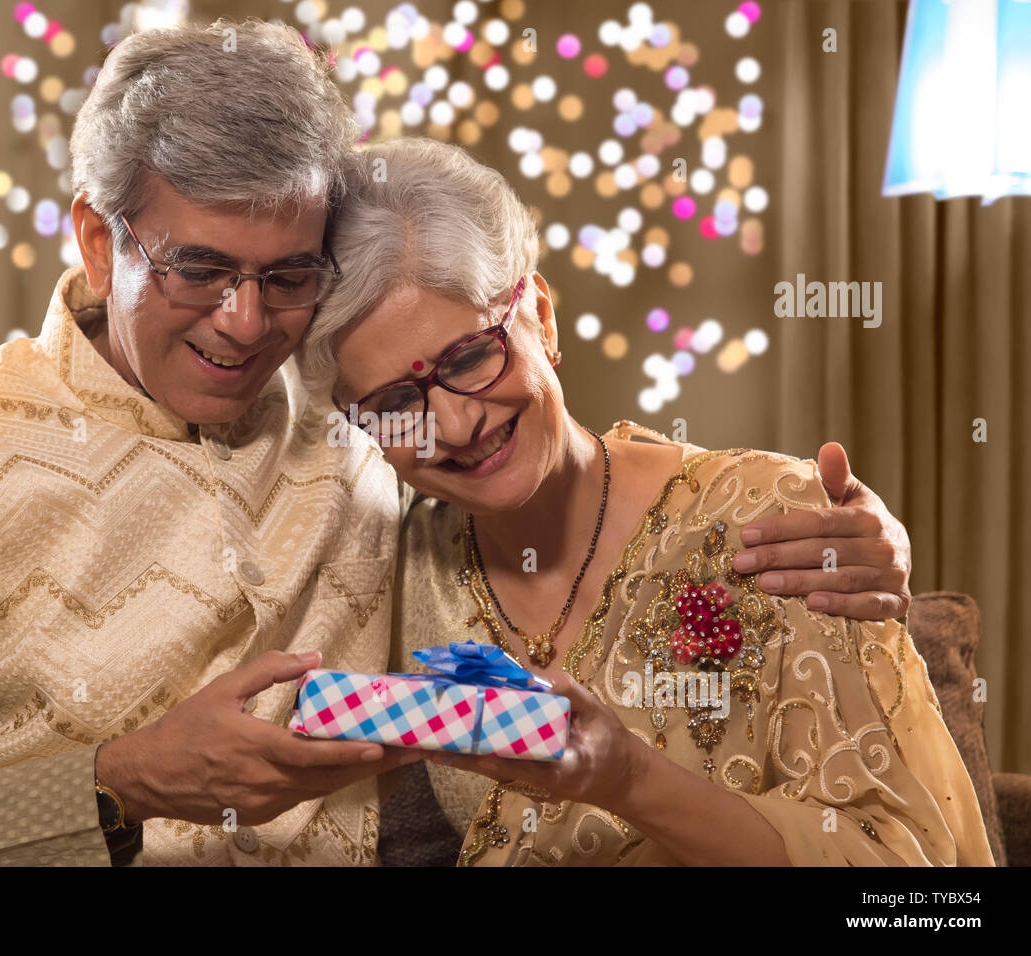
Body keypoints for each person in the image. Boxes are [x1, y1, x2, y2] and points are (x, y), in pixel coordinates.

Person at [0, 23, 913, 868]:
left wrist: (865, 542)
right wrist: (117, 782)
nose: (245, 324)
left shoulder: (354, 397)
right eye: (198, 268)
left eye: (287, 274)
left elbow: (545, 464)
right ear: (99, 245)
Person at [301, 136, 994, 866]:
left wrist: (629, 779)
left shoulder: (770, 520)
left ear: (540, 314)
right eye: (395, 404)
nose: (456, 425)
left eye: (471, 356)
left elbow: (906, 875)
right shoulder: (398, 574)